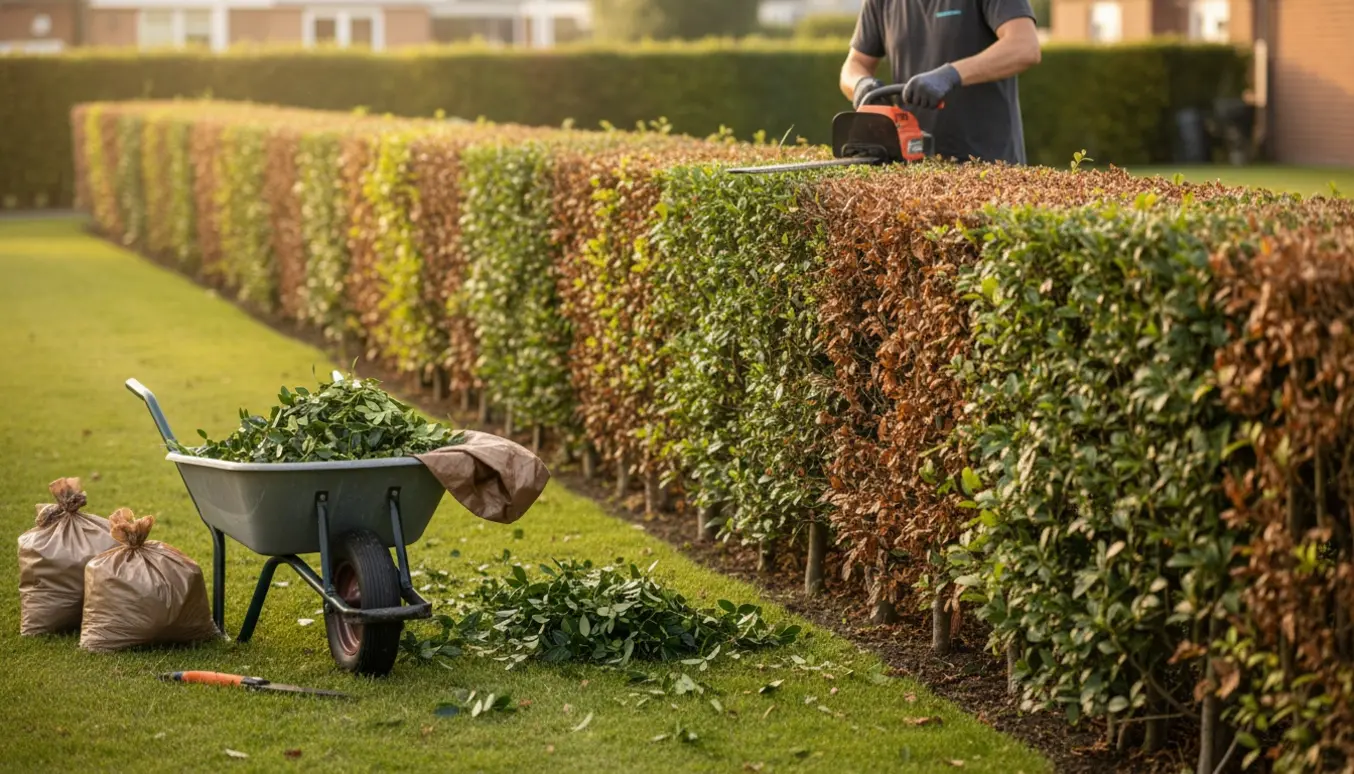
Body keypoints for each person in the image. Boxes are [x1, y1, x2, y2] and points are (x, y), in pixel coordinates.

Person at [839, 0, 1043, 165]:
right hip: (915, 167)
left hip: (990, 168)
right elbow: (854, 64)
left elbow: (1024, 46)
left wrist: (951, 75)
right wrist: (860, 85)